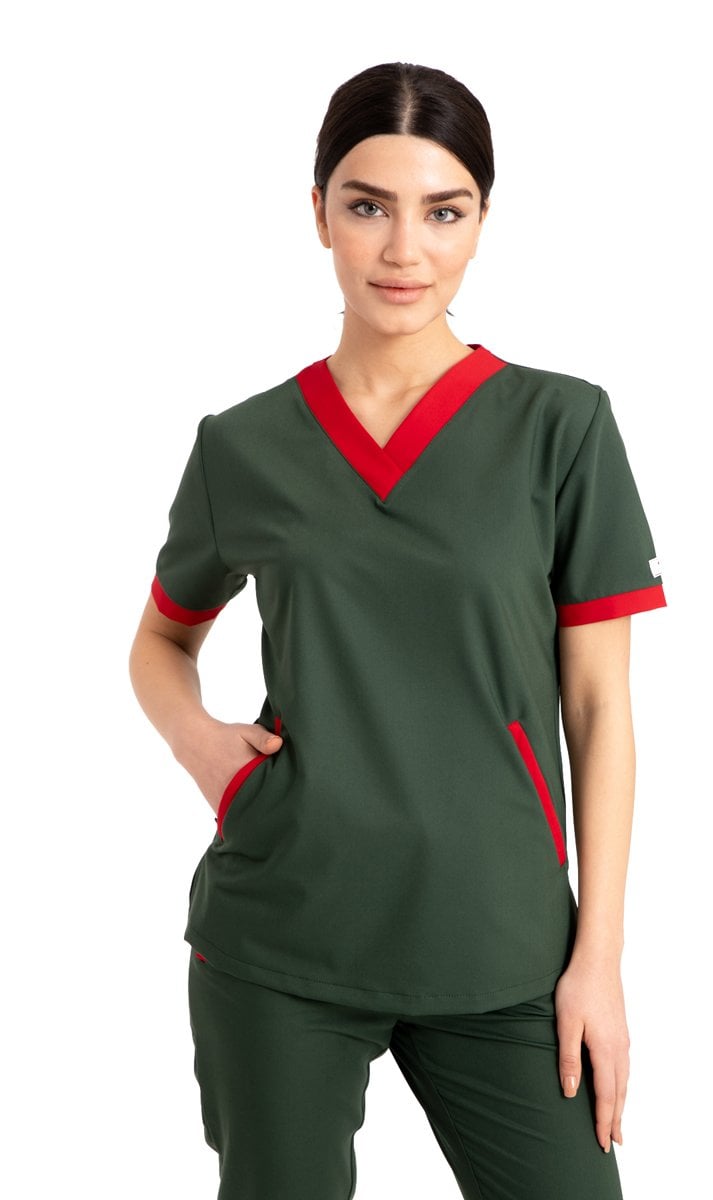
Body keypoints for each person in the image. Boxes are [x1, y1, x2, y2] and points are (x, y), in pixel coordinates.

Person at [129, 61, 666, 1200]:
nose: (403, 250)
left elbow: (598, 706)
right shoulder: (242, 447)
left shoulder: (561, 426)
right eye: (368, 206)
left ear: (482, 222)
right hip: (284, 937)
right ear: (319, 213)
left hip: (504, 944)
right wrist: (201, 745)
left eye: (443, 211)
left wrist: (599, 960)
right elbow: (160, 640)